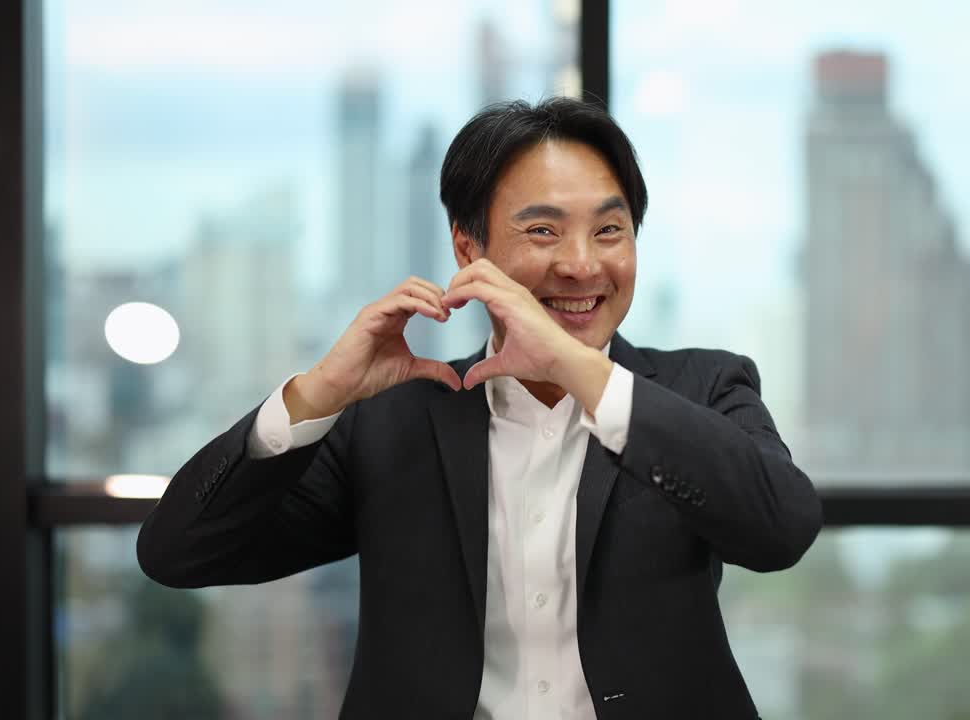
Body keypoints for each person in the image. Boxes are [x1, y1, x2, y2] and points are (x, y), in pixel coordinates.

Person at [136, 97, 822, 719]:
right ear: (470, 249)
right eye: (545, 233)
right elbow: (178, 552)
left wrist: (578, 369)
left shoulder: (702, 388)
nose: (583, 265)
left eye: (609, 231)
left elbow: (781, 527)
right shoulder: (394, 418)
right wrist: (320, 391)